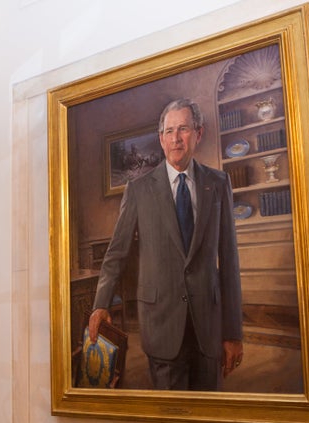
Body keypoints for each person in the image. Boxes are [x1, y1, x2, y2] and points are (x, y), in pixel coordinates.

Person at [88, 98, 243, 391]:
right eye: (169, 131)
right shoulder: (138, 190)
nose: (176, 138)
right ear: (161, 139)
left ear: (198, 133)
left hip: (208, 328)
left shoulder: (219, 183)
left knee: (209, 420)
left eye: (183, 129)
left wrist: (232, 332)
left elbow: (229, 261)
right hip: (160, 325)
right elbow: (116, 254)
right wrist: (100, 304)